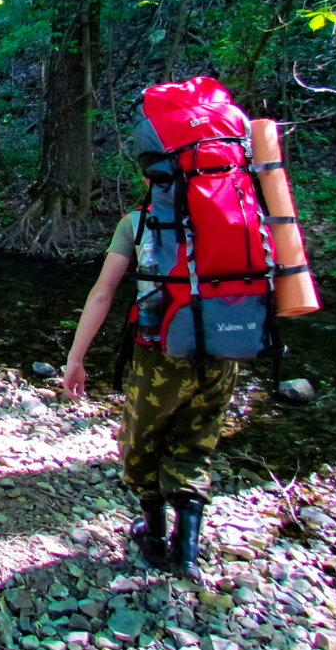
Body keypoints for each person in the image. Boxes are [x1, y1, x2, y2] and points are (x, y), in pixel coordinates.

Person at [61, 208, 238, 581]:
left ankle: (155, 537)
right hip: (225, 346)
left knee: (141, 440)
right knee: (195, 442)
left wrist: (76, 358)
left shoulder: (137, 222)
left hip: (160, 351)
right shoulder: (232, 211)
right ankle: (187, 552)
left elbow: (102, 293)